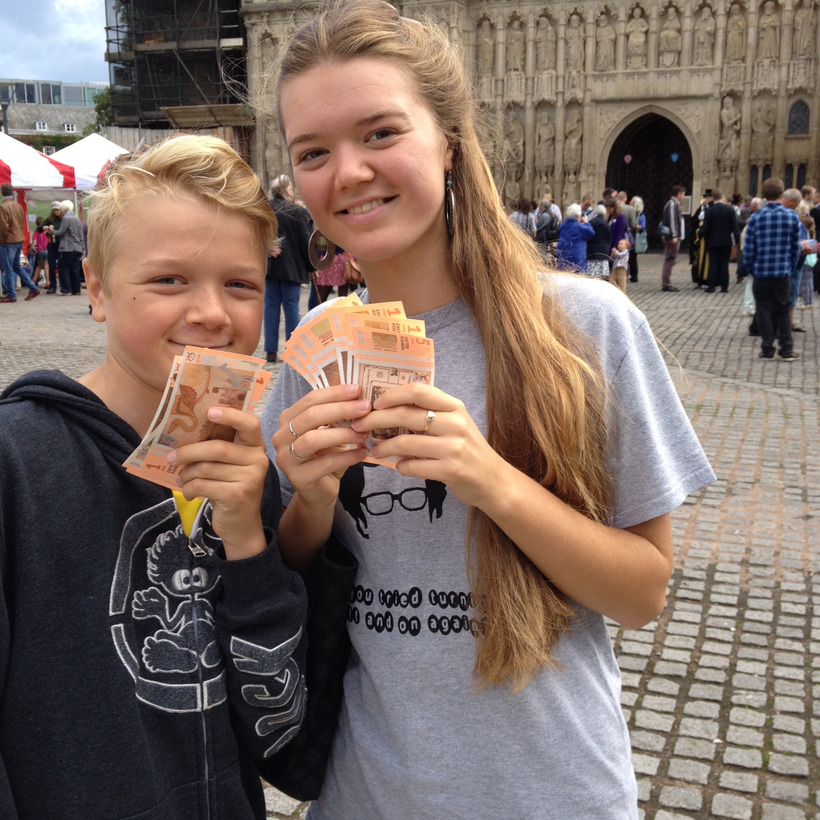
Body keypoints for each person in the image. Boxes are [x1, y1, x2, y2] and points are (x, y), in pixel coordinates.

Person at [259, 3, 715, 817]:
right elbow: (287, 588)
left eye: (380, 133)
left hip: (550, 792)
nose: (349, 172)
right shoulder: (315, 348)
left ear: (451, 141)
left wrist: (489, 479)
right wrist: (312, 504)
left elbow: (642, 593)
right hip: (367, 793)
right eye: (314, 153)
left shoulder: (586, 325)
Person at [0, 135, 309, 817]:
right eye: (169, 280)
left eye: (240, 285)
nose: (211, 314)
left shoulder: (249, 469)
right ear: (98, 291)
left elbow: (284, 739)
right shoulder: (17, 465)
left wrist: (251, 547)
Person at [744, 177, 802, 361]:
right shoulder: (792, 216)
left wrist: (751, 267)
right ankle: (786, 349)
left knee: (763, 309)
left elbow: (749, 248)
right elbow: (796, 248)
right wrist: (790, 267)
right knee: (783, 310)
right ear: (781, 193)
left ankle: (767, 349)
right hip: (782, 272)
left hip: (761, 271)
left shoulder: (756, 217)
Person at [265, 173, 313, 363]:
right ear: (285, 190)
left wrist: (267, 249)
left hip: (270, 267)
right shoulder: (297, 211)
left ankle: (270, 350)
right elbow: (306, 243)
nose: (292, 191)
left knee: (270, 308)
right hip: (292, 268)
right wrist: (311, 266)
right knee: (291, 309)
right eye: (291, 188)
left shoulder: (265, 209)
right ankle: (291, 348)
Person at [0, 183, 41, 302]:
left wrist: (1, 240)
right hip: (19, 238)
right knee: (16, 266)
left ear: (2, 192)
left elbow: (3, 226)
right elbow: (22, 223)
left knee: (8, 268)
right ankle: (33, 288)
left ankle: (11, 295)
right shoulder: (17, 206)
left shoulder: (3, 207)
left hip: (9, 240)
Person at [701, 189, 740, 293]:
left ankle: (712, 286)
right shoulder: (730, 210)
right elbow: (734, 227)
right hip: (726, 241)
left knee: (713, 263)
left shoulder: (709, 211)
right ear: (722, 198)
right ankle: (724, 287)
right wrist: (737, 240)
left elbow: (706, 228)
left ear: (713, 198)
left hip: (713, 241)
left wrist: (706, 239)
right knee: (724, 264)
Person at [45, 200, 84, 295]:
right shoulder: (77, 219)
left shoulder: (66, 219)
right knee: (75, 270)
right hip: (77, 248)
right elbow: (81, 235)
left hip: (67, 248)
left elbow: (60, 232)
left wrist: (51, 230)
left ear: (63, 210)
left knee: (64, 269)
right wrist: (82, 248)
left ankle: (66, 290)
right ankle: (76, 290)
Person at [660, 185, 686, 292]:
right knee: (669, 259)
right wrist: (675, 236)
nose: (683, 196)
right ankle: (665, 283)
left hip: (673, 236)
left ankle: (666, 282)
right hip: (671, 237)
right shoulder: (672, 204)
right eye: (683, 194)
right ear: (679, 193)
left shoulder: (674, 204)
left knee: (671, 260)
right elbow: (672, 220)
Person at [555, 203, 594, 272]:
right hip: (577, 258)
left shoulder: (562, 226)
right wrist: (586, 223)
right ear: (577, 216)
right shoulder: (579, 227)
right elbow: (591, 233)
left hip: (563, 256)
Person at [586, 203, 612, 280]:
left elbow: (588, 235)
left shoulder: (591, 222)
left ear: (595, 212)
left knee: (592, 275)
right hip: (603, 251)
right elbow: (608, 237)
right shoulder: (606, 224)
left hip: (592, 250)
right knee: (602, 275)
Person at [41, 200, 63, 293]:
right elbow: (40, 226)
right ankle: (52, 285)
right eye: (54, 210)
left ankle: (63, 285)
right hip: (51, 244)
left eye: (57, 210)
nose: (55, 212)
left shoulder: (63, 219)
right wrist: (44, 227)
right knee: (51, 265)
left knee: (62, 266)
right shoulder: (50, 219)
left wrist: (54, 228)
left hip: (61, 243)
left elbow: (62, 229)